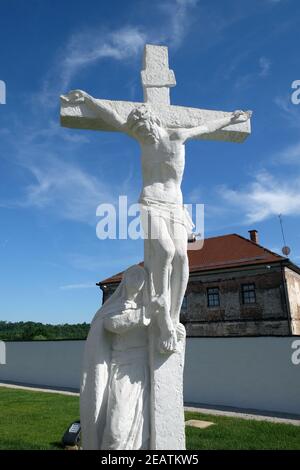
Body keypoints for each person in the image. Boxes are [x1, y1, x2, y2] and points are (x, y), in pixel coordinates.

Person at [65, 90, 251, 353]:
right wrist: (89, 101)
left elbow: (206, 126)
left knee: (182, 258)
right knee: (164, 250)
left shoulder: (178, 136)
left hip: (175, 205)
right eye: (138, 129)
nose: (142, 132)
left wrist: (231, 120)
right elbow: (115, 118)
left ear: (154, 122)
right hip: (150, 202)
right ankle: (161, 315)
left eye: (144, 126)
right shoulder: (142, 140)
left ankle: (173, 316)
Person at [80, 265, 150, 450]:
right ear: (124, 281)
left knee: (133, 426)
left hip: (140, 372)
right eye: (132, 276)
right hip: (119, 369)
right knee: (115, 429)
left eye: (140, 277)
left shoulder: (150, 308)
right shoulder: (115, 308)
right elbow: (114, 324)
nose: (136, 280)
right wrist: (144, 314)